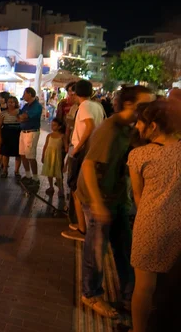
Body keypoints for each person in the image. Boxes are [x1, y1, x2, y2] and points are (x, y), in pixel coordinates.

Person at [76, 85, 153, 319]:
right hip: (98, 196)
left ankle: (129, 296)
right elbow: (88, 165)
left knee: (125, 246)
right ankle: (90, 293)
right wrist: (97, 204)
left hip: (116, 196)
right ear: (129, 105)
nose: (149, 109)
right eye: (145, 104)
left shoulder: (129, 128)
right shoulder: (109, 129)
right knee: (96, 248)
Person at [127, 100, 181, 332]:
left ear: (154, 126)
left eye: (140, 122)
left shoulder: (139, 155)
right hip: (178, 224)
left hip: (149, 224)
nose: (137, 126)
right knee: (172, 285)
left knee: (144, 287)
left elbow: (138, 197)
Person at [62, 79, 106, 241]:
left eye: (71, 92)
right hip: (92, 150)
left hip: (83, 152)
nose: (70, 95)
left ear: (75, 92)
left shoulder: (85, 106)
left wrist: (77, 148)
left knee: (76, 190)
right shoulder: (97, 106)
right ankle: (83, 225)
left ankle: (82, 229)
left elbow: (90, 126)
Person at [17, 87, 43, 187]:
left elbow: (24, 117)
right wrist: (22, 117)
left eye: (25, 93)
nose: (23, 95)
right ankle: (28, 175)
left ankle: (35, 178)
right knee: (22, 154)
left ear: (30, 94)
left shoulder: (36, 106)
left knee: (30, 156)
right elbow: (20, 117)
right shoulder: (26, 105)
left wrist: (22, 117)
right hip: (23, 131)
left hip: (31, 132)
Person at [0, 96, 22, 179]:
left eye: (12, 102)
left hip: (17, 134)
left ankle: (16, 171)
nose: (10, 104)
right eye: (9, 102)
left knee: (18, 154)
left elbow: (22, 122)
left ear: (15, 103)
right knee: (5, 153)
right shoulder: (3, 113)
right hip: (6, 134)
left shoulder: (20, 112)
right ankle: (5, 170)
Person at [41, 119, 66, 198]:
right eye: (52, 125)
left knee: (58, 173)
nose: (52, 126)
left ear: (59, 127)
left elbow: (66, 147)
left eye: (54, 125)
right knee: (50, 172)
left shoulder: (62, 136)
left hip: (57, 156)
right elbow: (45, 146)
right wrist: (43, 156)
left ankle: (60, 189)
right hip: (49, 156)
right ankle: (51, 186)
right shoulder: (49, 135)